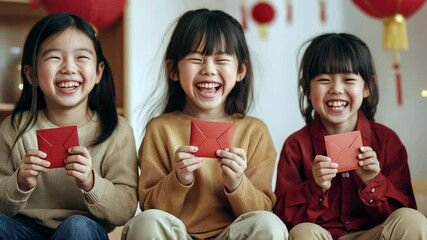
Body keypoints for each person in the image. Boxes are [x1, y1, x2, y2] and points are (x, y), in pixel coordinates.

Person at [122, 8, 288, 240]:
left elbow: (261, 210)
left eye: (221, 60)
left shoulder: (254, 131)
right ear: (173, 70)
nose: (208, 69)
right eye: (196, 59)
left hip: (232, 235)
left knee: (268, 224)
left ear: (240, 70)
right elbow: (151, 208)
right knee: (146, 222)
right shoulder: (160, 129)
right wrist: (179, 179)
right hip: (179, 235)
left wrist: (237, 183)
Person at [273, 32, 427, 240]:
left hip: (374, 234)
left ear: (367, 87)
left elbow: (405, 210)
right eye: (324, 80)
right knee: (302, 232)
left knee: (412, 220)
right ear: (306, 89)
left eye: (348, 79)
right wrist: (316, 187)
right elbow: (282, 219)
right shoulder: (296, 145)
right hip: (322, 235)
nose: (336, 89)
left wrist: (374, 181)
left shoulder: (386, 140)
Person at [0, 13, 138, 240]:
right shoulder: (15, 127)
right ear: (31, 74)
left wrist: (91, 182)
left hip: (83, 231)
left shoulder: (117, 130)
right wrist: (19, 182)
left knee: (77, 228)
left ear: (98, 72)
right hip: (24, 229)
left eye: (81, 57)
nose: (68, 68)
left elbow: (125, 210)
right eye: (54, 57)